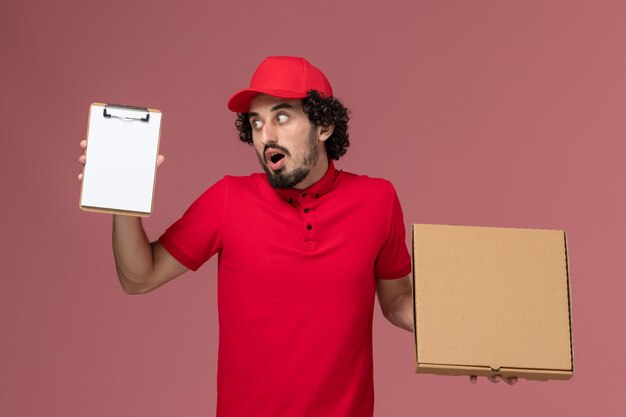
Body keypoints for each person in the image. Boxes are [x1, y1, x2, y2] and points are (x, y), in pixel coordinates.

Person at [77, 56, 514, 417]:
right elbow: (139, 277)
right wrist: (123, 199)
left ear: (324, 127)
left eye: (282, 117)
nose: (265, 133)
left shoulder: (378, 199)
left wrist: (478, 342)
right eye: (256, 122)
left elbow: (398, 301)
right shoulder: (228, 198)